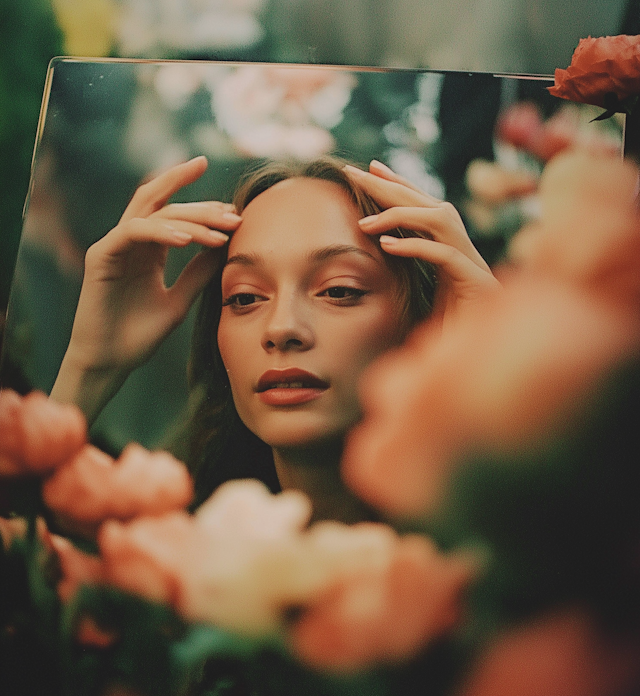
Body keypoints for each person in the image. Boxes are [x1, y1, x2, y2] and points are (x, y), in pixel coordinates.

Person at [51, 154, 498, 523]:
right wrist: (89, 366)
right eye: (245, 297)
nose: (282, 328)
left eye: (339, 290)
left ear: (423, 324)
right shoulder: (158, 556)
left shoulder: (503, 570)